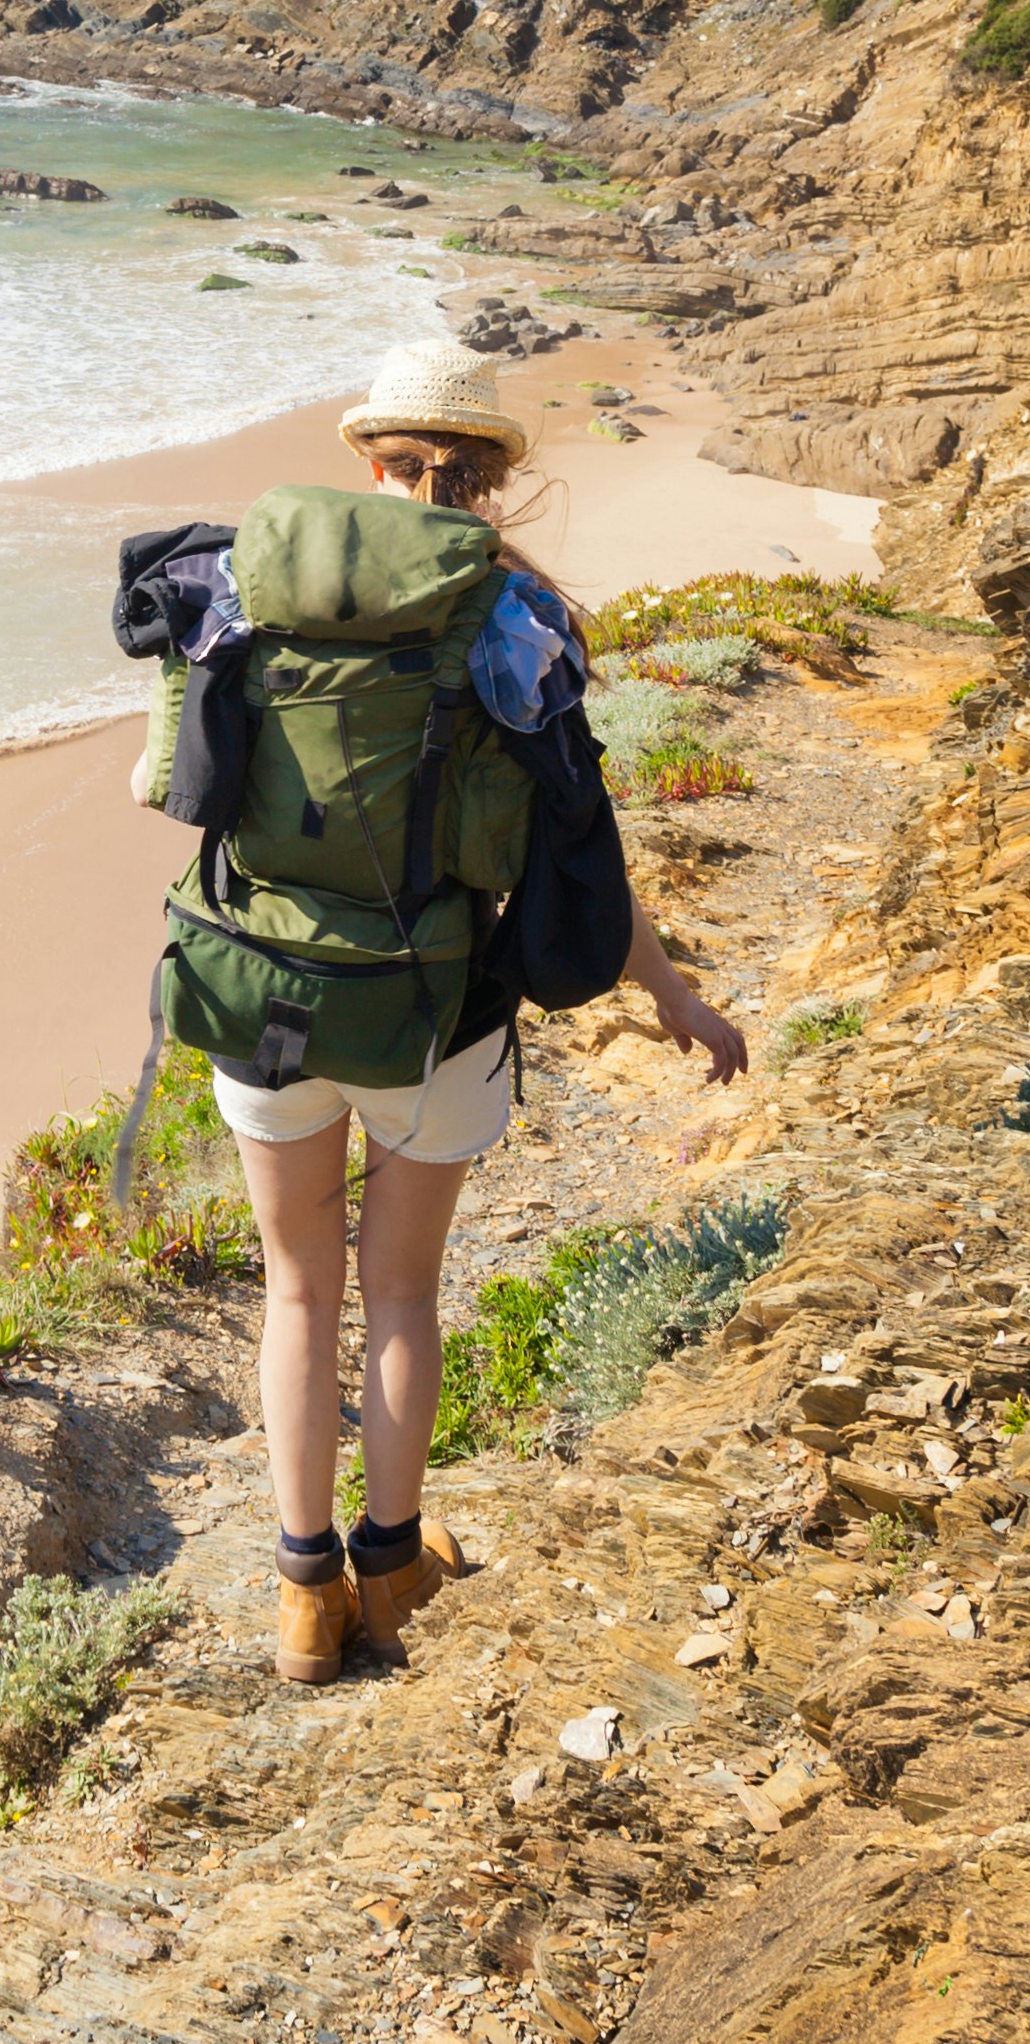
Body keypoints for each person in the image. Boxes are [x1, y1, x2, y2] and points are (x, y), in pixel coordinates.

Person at [127, 339, 750, 1686]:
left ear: (370, 462)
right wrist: (676, 998)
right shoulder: (516, 629)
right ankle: (393, 1561)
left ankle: (303, 1596)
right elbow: (576, 855)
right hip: (433, 1013)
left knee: (297, 1286)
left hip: (265, 996)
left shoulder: (247, 585)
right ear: (486, 487)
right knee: (400, 1287)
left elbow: (163, 782)